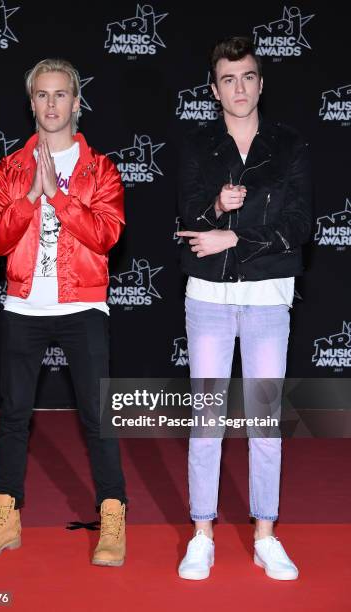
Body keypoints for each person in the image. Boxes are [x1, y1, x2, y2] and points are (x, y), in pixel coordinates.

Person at [0, 58, 127, 567]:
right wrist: (30, 199)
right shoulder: (11, 169)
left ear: (77, 103)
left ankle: (112, 516)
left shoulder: (100, 169)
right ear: (31, 102)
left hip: (82, 304)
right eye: (42, 95)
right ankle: (6, 516)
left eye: (61, 95)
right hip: (23, 306)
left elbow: (107, 235)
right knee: (13, 416)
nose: (51, 104)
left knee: (98, 418)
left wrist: (58, 197)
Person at [177, 36, 312, 581]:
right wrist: (214, 208)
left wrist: (234, 236)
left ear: (261, 83)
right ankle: (202, 534)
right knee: (207, 419)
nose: (239, 87)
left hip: (267, 296)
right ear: (214, 89)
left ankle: (265, 535)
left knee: (264, 421)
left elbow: (300, 224)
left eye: (248, 76)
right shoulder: (195, 145)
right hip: (208, 297)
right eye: (228, 79)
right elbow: (185, 216)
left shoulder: (290, 144)